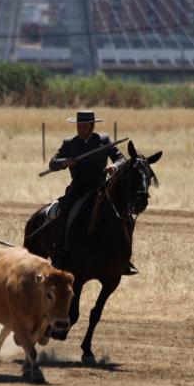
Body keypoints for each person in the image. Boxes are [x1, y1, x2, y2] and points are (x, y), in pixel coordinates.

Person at [48, 110, 137, 275]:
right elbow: (52, 164)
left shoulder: (104, 140)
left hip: (101, 187)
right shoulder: (70, 143)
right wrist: (64, 162)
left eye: (84, 126)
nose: (81, 129)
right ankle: (61, 254)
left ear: (92, 126)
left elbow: (121, 159)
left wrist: (114, 167)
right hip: (78, 188)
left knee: (128, 217)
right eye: (79, 126)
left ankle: (124, 258)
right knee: (62, 211)